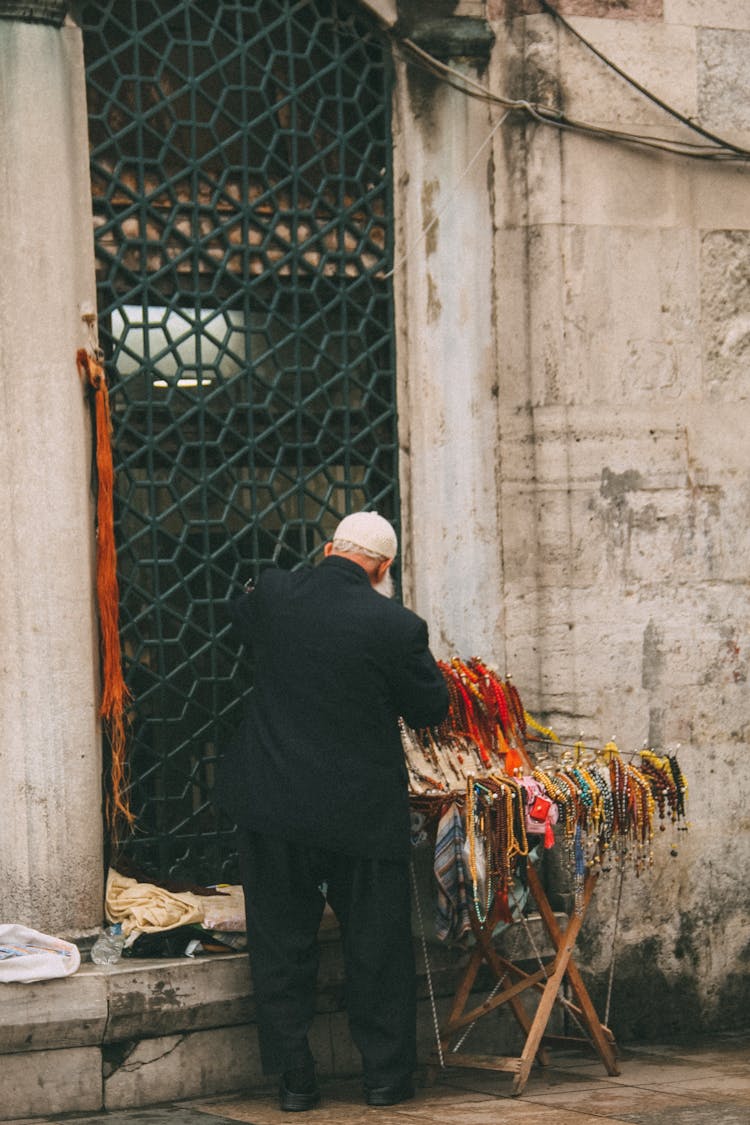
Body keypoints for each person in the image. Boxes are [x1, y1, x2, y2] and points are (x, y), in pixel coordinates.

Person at [219, 511, 448, 1111]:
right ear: (384, 568)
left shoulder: (272, 593)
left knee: (280, 945)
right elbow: (430, 709)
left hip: (275, 807)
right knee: (377, 947)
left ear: (327, 549)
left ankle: (295, 1083)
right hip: (361, 813)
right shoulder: (397, 625)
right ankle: (385, 1080)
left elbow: (239, 616)